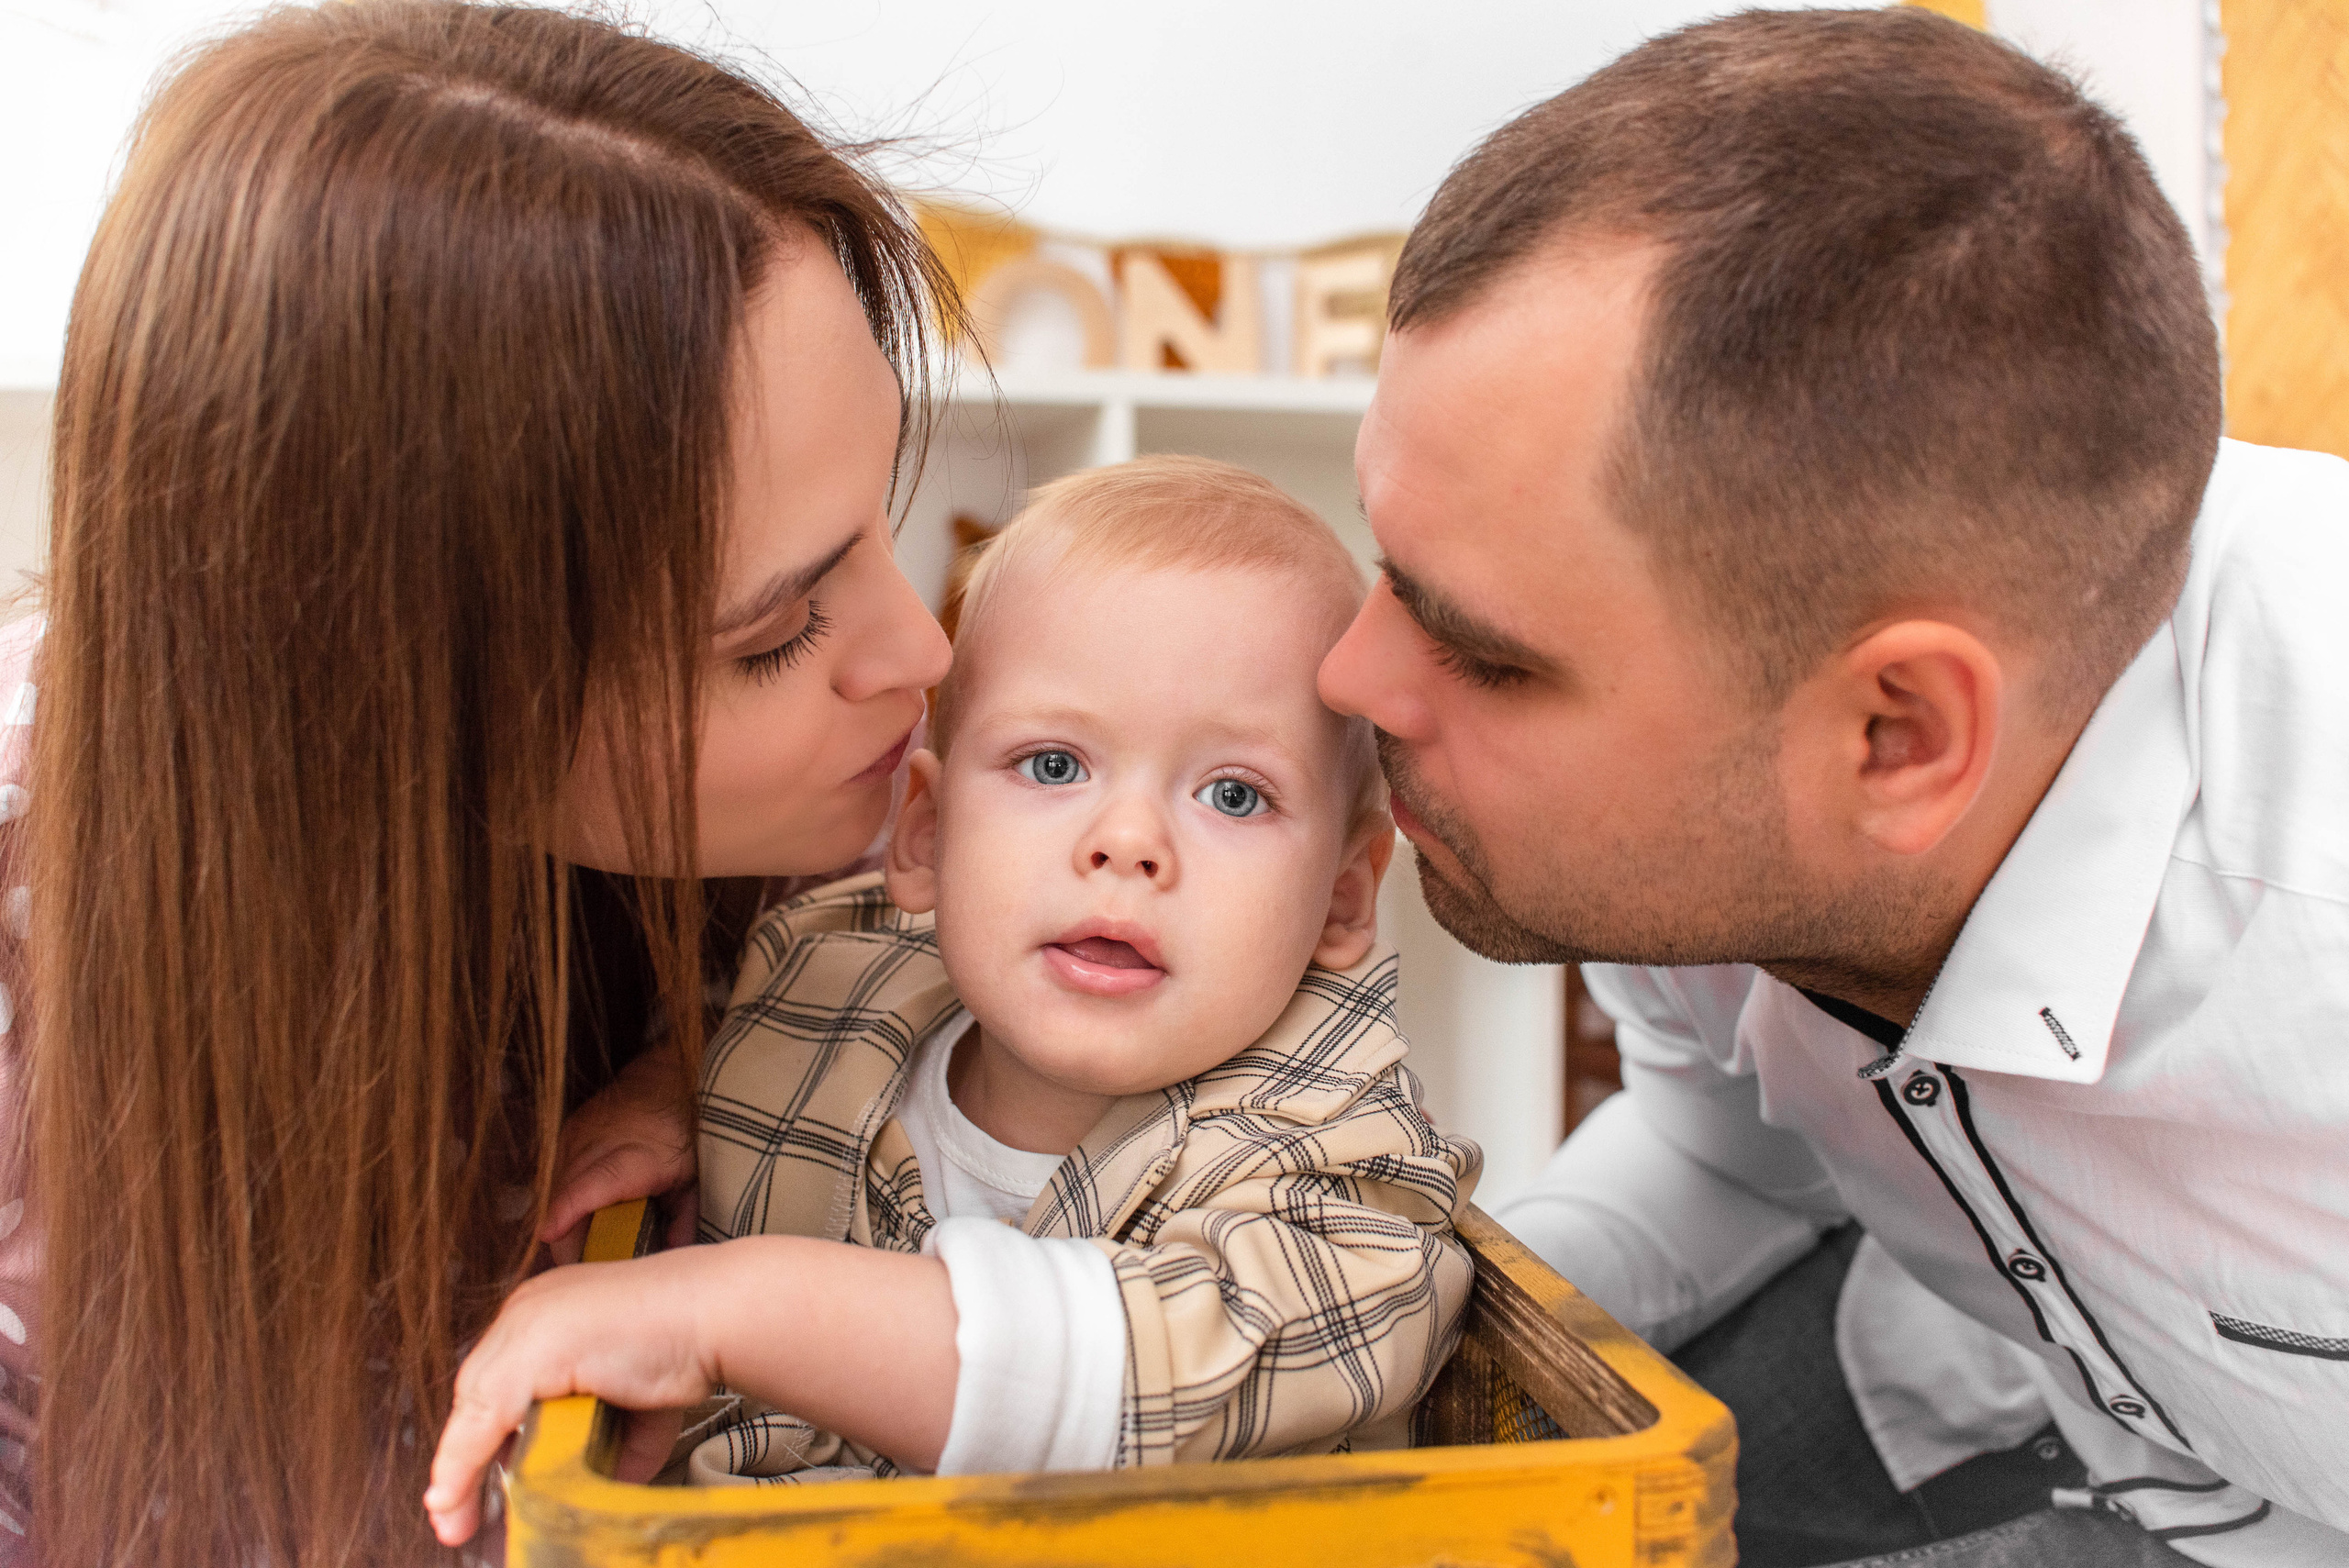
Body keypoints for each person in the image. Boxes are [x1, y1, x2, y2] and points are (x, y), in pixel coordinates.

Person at [1314, 9, 2347, 1568]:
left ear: (1896, 736)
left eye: (1487, 654)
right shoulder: (1711, 821)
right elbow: (1728, 1145)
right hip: (2045, 1366)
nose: (1350, 678)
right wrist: (1425, 1357)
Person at [17, 3, 968, 1562]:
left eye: (885, 520)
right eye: (775, 629)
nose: (919, 648)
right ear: (372, 700)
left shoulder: (881, 824)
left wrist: (767, 1038)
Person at [423, 457, 1480, 1536]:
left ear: (1345, 898)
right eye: (1054, 764)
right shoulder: (818, 980)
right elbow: (753, 996)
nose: (1127, 843)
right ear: (925, 833)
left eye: (1233, 793)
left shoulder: (1347, 1173)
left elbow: (1138, 1373)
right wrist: (678, 1084)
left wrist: (720, 1309)